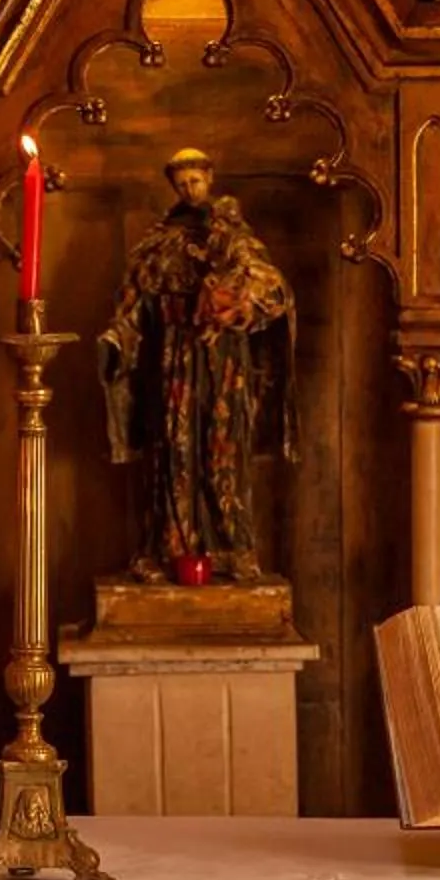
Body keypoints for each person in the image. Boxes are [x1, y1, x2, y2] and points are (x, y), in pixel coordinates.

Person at [99, 148, 294, 582]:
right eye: (182, 183)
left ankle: (233, 548)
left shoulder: (234, 237)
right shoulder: (159, 242)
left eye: (196, 181)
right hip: (172, 364)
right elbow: (135, 303)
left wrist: (243, 302)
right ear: (174, 186)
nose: (190, 189)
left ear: (210, 178)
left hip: (224, 363)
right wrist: (119, 338)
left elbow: (271, 288)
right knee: (172, 451)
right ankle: (167, 550)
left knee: (224, 450)